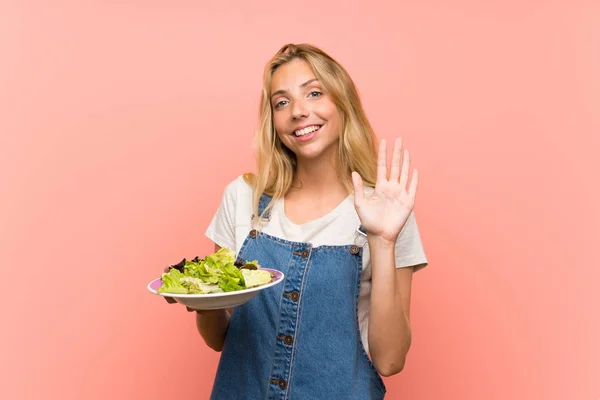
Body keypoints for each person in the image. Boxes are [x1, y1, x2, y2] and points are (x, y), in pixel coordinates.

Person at [168, 43, 428, 399]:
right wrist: (202, 299)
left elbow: (390, 360)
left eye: (315, 93)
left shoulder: (386, 210)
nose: (298, 112)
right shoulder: (242, 198)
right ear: (273, 121)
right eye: (282, 102)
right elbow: (219, 339)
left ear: (343, 102)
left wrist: (382, 241)